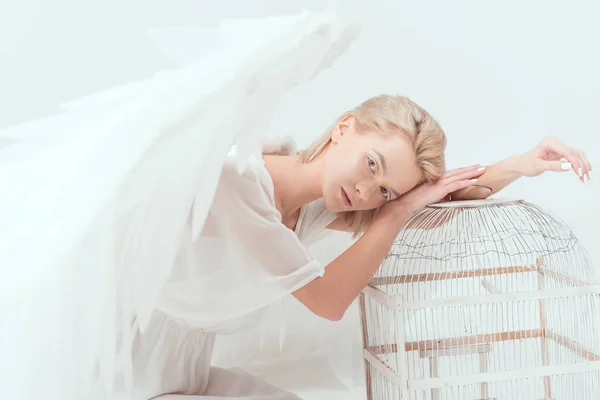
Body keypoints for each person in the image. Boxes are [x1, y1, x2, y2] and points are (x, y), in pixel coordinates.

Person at [0, 7, 592, 400]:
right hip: (123, 382)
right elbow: (330, 301)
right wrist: (391, 214)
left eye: (383, 189)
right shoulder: (234, 185)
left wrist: (521, 162)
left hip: (186, 375)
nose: (367, 192)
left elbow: (435, 195)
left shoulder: (307, 205)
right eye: (371, 165)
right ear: (344, 127)